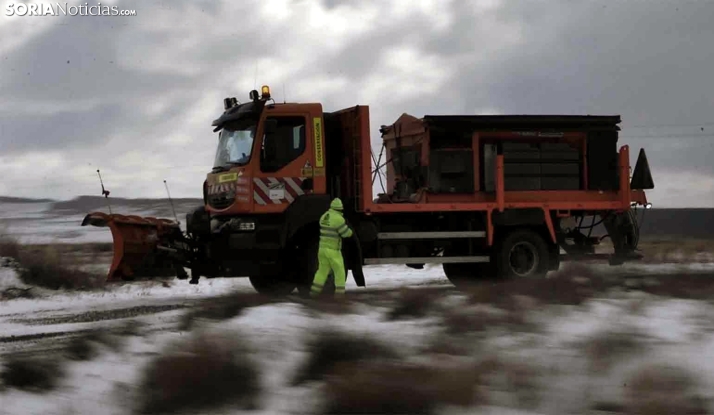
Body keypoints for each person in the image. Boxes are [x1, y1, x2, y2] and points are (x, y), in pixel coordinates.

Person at [310, 198, 353, 298]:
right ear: (340, 209)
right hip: (333, 251)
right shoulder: (338, 219)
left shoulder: (324, 216)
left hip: (322, 249)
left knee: (321, 271)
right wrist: (351, 232)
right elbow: (345, 233)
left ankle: (314, 293)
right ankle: (339, 296)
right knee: (339, 272)